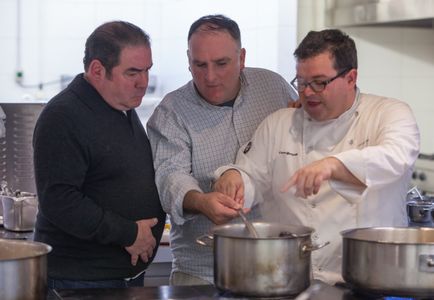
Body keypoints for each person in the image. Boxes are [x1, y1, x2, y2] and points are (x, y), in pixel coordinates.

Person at [213, 29, 420, 284]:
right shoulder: (279, 123)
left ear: (351, 77)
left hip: (371, 279)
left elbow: (396, 158)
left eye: (319, 82)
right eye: (301, 82)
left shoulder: (389, 113)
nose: (308, 92)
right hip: (289, 279)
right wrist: (233, 178)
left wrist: (333, 165)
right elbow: (250, 175)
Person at [147, 14, 295, 285]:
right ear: (188, 61)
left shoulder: (273, 87)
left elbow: (303, 136)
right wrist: (201, 201)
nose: (210, 76)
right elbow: (171, 176)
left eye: (221, 63)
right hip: (203, 270)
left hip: (276, 263)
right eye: (199, 65)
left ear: (242, 58)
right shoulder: (171, 112)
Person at [33, 21, 166, 289]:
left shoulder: (121, 105)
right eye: (132, 73)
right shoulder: (63, 116)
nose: (144, 83)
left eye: (147, 71)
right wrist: (128, 233)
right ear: (97, 70)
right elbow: (60, 201)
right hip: (79, 280)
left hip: (121, 277)